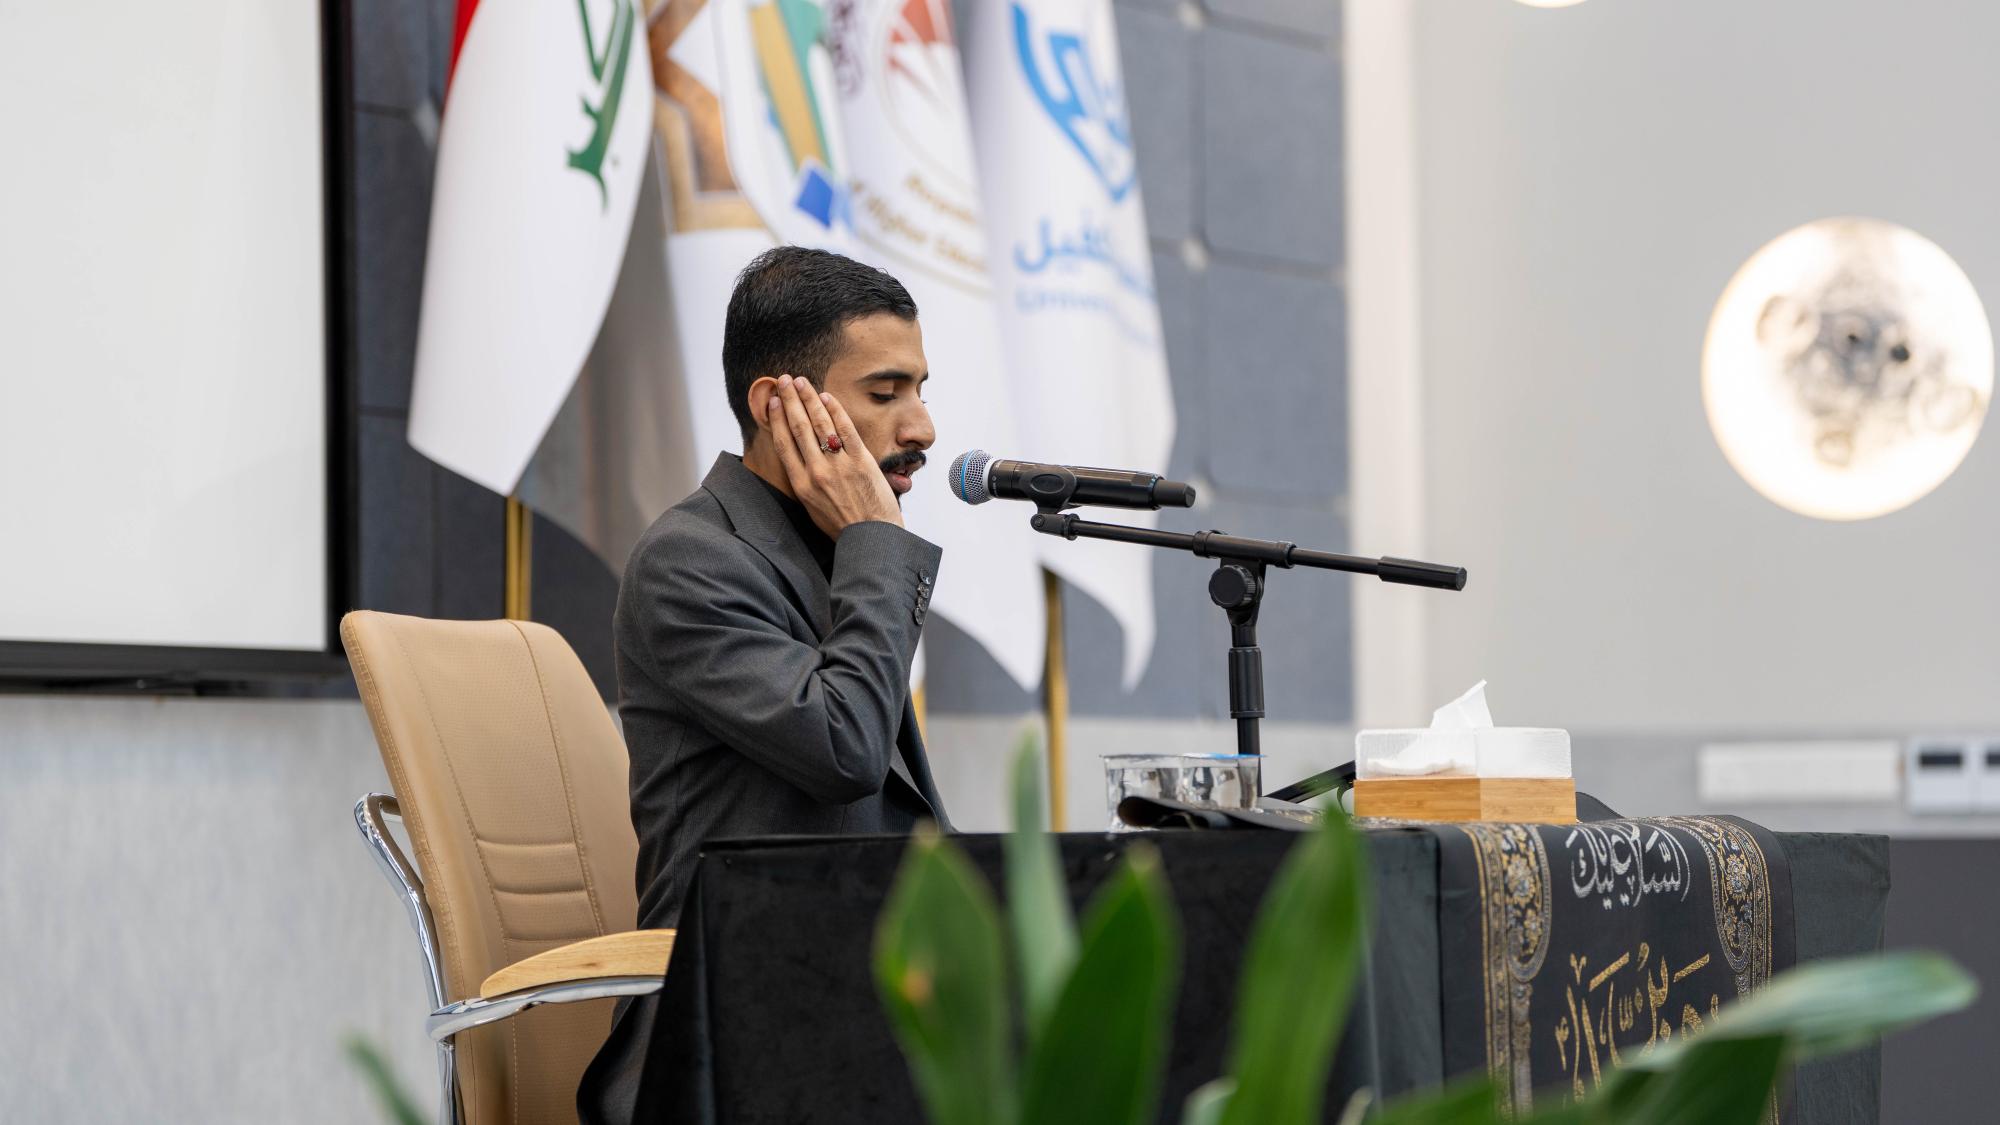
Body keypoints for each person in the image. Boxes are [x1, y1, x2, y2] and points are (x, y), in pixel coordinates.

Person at [580, 246, 948, 1122]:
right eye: (886, 393)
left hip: (854, 998)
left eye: (921, 389)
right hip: (731, 1032)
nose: (924, 427)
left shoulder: (832, 551)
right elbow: (845, 748)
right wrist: (875, 542)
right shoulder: (690, 561)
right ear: (778, 404)